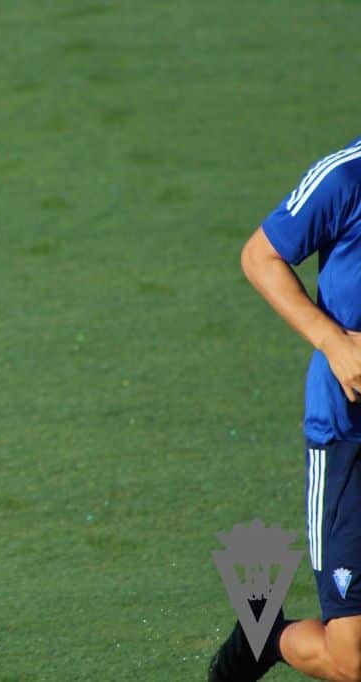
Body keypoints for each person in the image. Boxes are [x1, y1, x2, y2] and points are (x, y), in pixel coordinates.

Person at [210, 136, 361, 681]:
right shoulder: (346, 178)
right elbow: (259, 255)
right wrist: (334, 342)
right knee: (351, 660)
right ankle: (265, 636)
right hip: (349, 438)